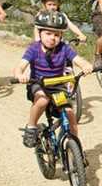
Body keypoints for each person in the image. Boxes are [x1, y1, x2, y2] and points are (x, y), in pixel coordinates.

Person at [13, 11, 94, 148]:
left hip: (57, 87)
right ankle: (31, 126)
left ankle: (75, 149)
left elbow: (78, 60)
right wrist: (20, 75)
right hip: (38, 85)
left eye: (57, 35)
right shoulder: (34, 49)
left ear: (61, 35)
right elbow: (19, 67)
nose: (52, 38)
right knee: (43, 99)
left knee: (70, 115)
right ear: (39, 33)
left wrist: (86, 66)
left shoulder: (64, 48)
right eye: (48, 34)